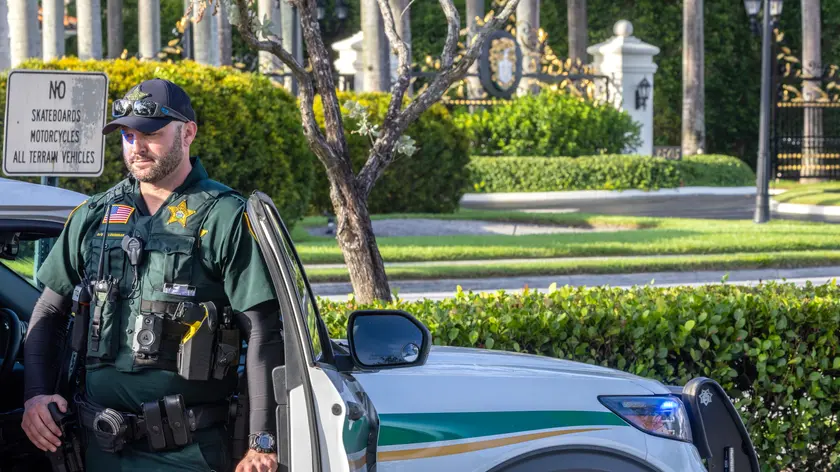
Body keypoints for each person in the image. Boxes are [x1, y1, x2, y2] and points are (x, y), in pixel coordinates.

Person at [21, 78, 284, 472]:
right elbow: (48, 311)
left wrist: (262, 441)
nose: (136, 147)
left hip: (189, 451)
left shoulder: (226, 215)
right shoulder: (94, 215)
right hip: (98, 446)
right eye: (127, 135)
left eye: (151, 134)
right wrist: (36, 395)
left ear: (188, 132)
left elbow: (263, 330)